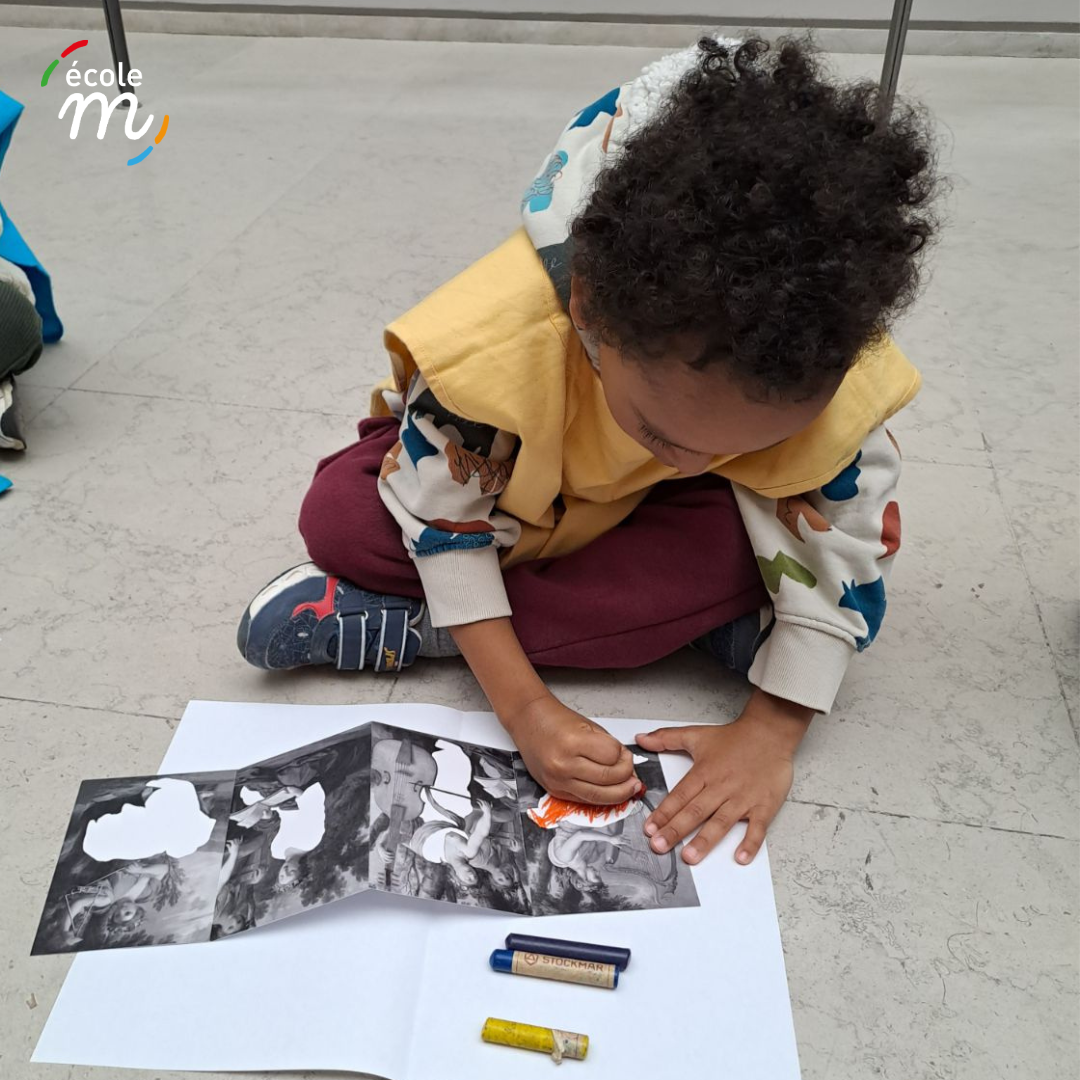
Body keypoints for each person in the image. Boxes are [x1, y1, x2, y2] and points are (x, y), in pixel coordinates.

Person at [236, 36, 938, 868]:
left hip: (657, 529)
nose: (689, 462)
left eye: (750, 446)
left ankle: (425, 625)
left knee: (782, 562)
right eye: (660, 433)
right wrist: (525, 708)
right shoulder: (503, 347)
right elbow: (438, 514)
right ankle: (639, 626)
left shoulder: (826, 371)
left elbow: (839, 553)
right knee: (344, 516)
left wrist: (770, 731)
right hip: (515, 502)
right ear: (589, 310)